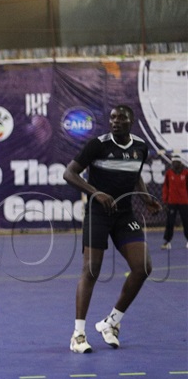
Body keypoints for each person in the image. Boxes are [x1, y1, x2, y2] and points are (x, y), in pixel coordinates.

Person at [62, 105, 162, 353]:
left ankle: (111, 323)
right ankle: (78, 335)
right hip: (98, 213)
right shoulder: (98, 145)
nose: (115, 122)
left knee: (143, 268)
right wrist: (96, 193)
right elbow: (69, 173)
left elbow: (135, 175)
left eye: (121, 118)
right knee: (91, 270)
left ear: (132, 122)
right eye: (112, 118)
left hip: (125, 214)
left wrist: (146, 197)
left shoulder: (140, 147)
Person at [160, 153, 188, 250]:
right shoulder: (169, 173)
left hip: (184, 202)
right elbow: (165, 188)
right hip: (172, 202)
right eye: (173, 162)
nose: (175, 164)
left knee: (186, 222)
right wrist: (165, 200)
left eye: (176, 162)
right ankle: (167, 242)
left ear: (180, 162)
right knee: (170, 222)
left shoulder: (186, 173)